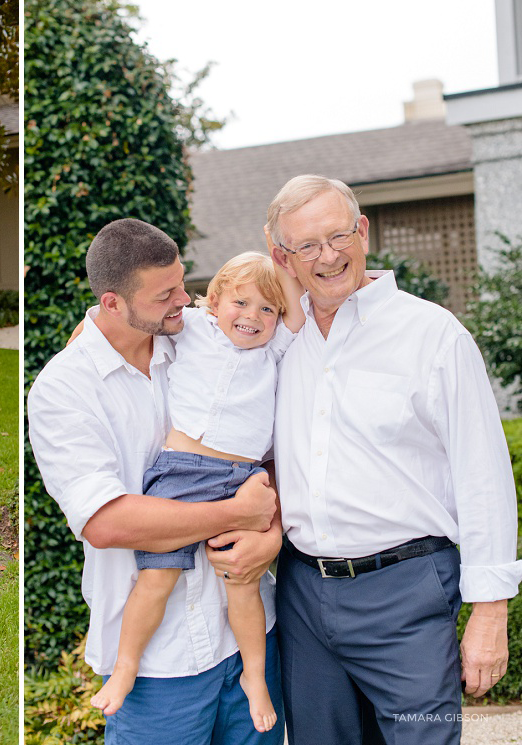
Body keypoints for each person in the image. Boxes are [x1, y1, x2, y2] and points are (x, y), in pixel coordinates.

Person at [206, 174, 521, 744]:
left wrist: (490, 613)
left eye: (339, 235)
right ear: (284, 257)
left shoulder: (433, 335)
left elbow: (485, 477)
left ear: (364, 232)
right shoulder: (276, 340)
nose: (329, 256)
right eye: (307, 246)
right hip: (303, 594)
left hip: (408, 595)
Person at [28, 218, 284, 745]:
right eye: (166, 294)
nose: (184, 300)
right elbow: (106, 522)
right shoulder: (63, 391)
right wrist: (240, 515)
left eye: (183, 283)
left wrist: (271, 527)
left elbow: (272, 458)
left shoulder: (207, 342)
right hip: (158, 666)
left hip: (248, 638)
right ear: (113, 303)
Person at [89, 251, 303, 734]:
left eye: (267, 310)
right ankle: (126, 665)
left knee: (242, 584)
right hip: (182, 474)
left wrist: (284, 263)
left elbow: (298, 312)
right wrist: (85, 334)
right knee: (158, 578)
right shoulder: (195, 329)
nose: (252, 317)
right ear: (214, 301)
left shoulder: (276, 352)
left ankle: (254, 676)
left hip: (240, 478)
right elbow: (127, 316)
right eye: (241, 302)